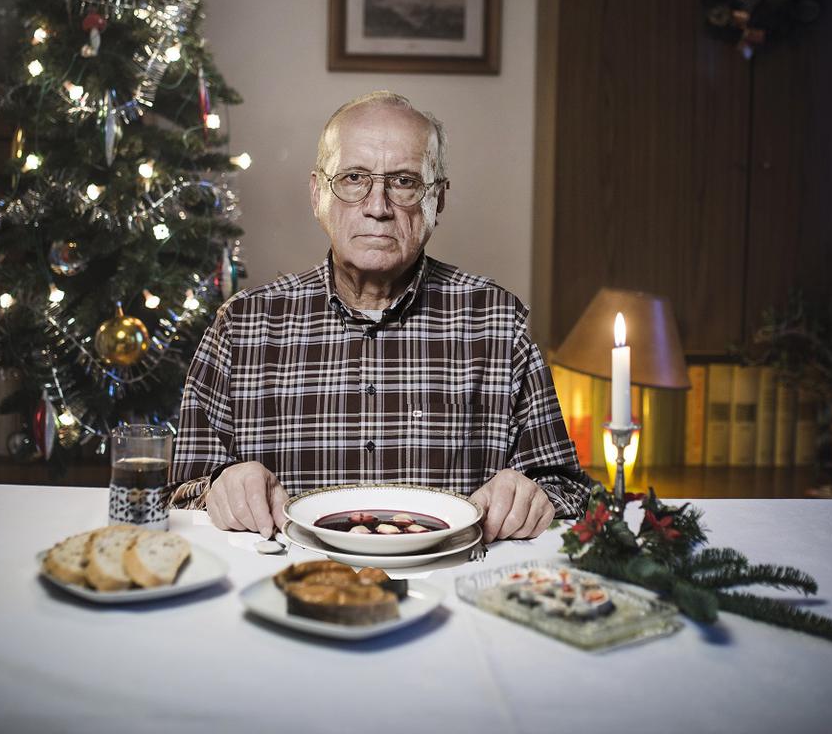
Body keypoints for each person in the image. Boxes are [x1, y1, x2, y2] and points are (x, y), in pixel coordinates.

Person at [171, 91, 591, 541]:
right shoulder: (243, 325)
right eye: (353, 178)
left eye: (405, 182)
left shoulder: (498, 323)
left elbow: (566, 489)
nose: (378, 206)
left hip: (452, 591)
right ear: (317, 194)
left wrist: (533, 495)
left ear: (438, 200)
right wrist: (218, 488)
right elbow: (179, 494)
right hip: (288, 591)